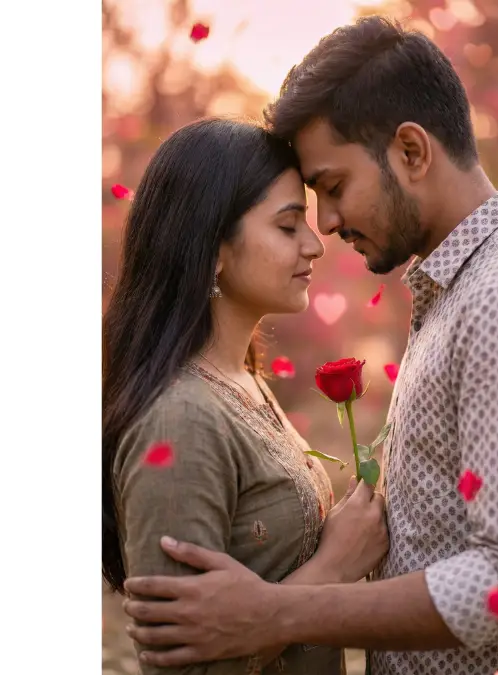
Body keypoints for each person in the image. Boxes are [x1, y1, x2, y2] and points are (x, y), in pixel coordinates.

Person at [121, 16, 498, 675]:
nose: (324, 226)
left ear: (411, 152)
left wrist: (278, 611)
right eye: (296, 215)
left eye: (332, 187)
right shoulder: (459, 291)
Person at [102, 117, 390, 675]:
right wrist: (334, 567)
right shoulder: (179, 420)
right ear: (212, 248)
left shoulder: (245, 378)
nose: (315, 245)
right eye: (287, 226)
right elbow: (184, 669)